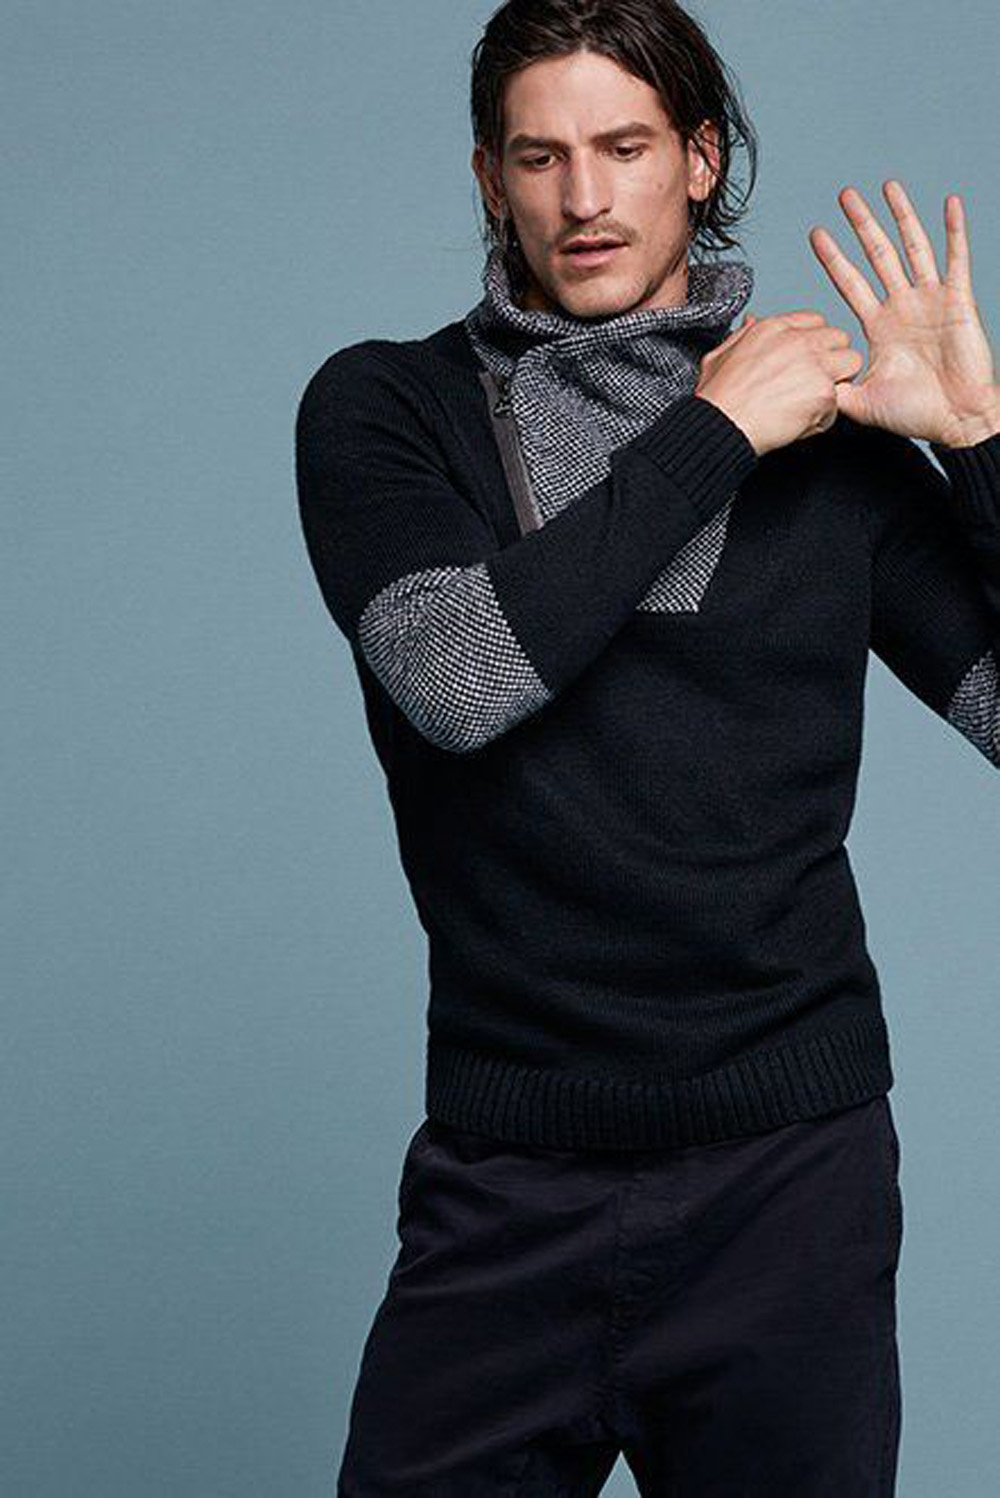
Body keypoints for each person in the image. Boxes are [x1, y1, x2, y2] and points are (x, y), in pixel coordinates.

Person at [295, 1, 1000, 1491]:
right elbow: (462, 678)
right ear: (489, 178)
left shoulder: (843, 451)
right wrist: (715, 431)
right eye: (539, 157)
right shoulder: (387, 407)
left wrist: (983, 447)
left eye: (624, 148)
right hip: (507, 1180)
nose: (584, 198)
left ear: (701, 158)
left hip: (793, 1180)